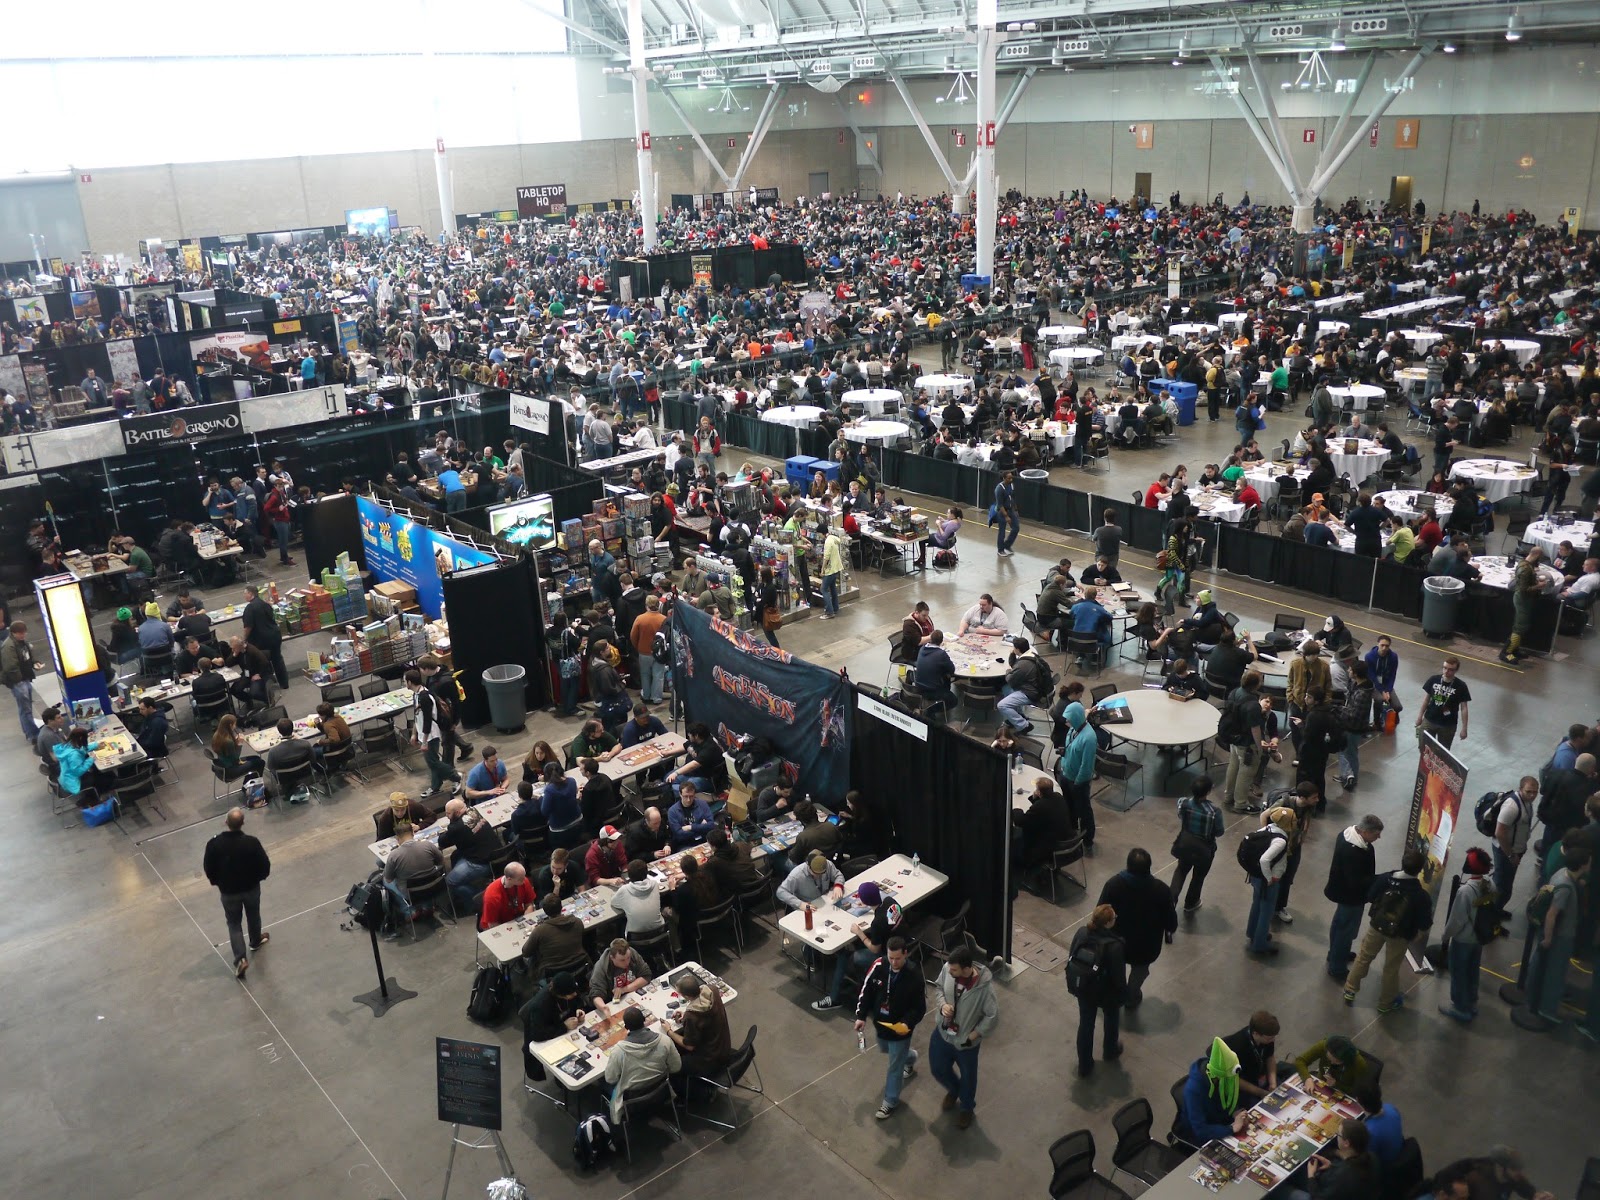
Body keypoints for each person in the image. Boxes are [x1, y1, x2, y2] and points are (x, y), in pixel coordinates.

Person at [1342, 848, 1434, 1013]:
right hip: (1400, 935)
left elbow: (1370, 896)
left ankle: (1350, 989)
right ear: (1420, 870)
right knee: (1391, 968)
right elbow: (1425, 922)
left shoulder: (1385, 879)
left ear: (1402, 863)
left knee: (1364, 957)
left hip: (1377, 926)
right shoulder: (1420, 895)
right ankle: (1386, 1003)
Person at [926, 945, 997, 1130]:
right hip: (943, 1033)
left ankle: (966, 1107)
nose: (950, 972)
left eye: (954, 970)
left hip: (966, 1043)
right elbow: (939, 988)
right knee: (937, 1068)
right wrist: (943, 1005)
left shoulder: (984, 989)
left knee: (968, 1077)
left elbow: (992, 1016)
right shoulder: (948, 969)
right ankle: (954, 1089)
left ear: (966, 969)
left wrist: (973, 1035)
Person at [855, 936, 926, 1119]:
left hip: (901, 1029)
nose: (894, 962)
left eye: (898, 958)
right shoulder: (879, 965)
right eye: (891, 958)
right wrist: (861, 1016)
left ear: (905, 954)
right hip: (881, 1024)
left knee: (894, 1066)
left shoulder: (914, 976)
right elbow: (866, 990)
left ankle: (890, 1102)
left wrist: (907, 1023)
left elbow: (919, 1008)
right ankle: (910, 1057)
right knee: (886, 1049)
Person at [1096, 849, 1176, 1008]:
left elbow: (1100, 913)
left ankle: (1114, 994)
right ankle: (1131, 997)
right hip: (1146, 948)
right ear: (1149, 867)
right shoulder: (1161, 890)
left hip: (1115, 943)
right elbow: (1171, 923)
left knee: (1114, 969)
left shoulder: (1114, 885)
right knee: (1140, 972)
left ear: (1128, 866)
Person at [813, 880, 903, 1013]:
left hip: (886, 956)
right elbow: (886, 918)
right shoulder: (890, 902)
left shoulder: (877, 923)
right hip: (901, 943)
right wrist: (870, 906)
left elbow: (875, 949)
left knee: (845, 956)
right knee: (853, 945)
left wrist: (859, 933)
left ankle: (834, 998)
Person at [202, 807, 272, 980]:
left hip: (229, 892)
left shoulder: (214, 844)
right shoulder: (252, 842)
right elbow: (265, 865)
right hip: (251, 889)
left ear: (226, 822)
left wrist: (217, 882)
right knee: (253, 915)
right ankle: (255, 941)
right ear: (243, 823)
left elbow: (209, 868)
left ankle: (240, 959)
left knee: (234, 923)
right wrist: (259, 878)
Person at [1526, 843, 1591, 1023]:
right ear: (1582, 865)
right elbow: (1552, 914)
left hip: (1558, 934)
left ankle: (1534, 999)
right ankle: (1547, 1009)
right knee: (1555, 973)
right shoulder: (1566, 887)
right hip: (1560, 937)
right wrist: (1548, 938)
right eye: (1589, 862)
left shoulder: (1562, 873)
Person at [1066, 903, 1126, 1077]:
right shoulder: (1114, 946)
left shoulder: (1081, 933)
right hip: (1105, 992)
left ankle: (1084, 1066)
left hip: (1084, 986)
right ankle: (1110, 1050)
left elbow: (1071, 954)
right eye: (1114, 917)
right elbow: (1118, 976)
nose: (1115, 919)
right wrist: (1123, 995)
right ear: (1107, 923)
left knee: (1086, 1024)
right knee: (1111, 1017)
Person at [1439, 846, 1496, 1022]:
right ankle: (1471, 1002)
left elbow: (1457, 920)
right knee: (1472, 970)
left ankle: (1460, 1008)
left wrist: (1445, 935)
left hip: (1463, 939)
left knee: (1459, 973)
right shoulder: (1490, 884)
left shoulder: (1465, 891)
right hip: (1479, 937)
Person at [1324, 814, 1384, 979]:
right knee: (1346, 931)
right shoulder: (1354, 852)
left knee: (1339, 924)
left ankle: (1335, 953)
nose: (1379, 837)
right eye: (1376, 834)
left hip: (1341, 891)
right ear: (1364, 832)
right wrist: (1381, 880)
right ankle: (1337, 967)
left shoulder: (1345, 835)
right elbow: (1357, 881)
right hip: (1351, 897)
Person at [664, 973, 733, 1092]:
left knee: (673, 1066)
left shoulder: (692, 1016)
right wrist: (686, 1014)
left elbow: (689, 1046)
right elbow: (704, 1016)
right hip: (723, 1046)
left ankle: (691, 1095)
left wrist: (669, 1031)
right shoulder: (713, 991)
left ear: (686, 996)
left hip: (709, 1059)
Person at [437, 798, 504, 913]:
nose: (447, 816)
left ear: (457, 812)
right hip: (495, 852)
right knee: (455, 855)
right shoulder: (473, 810)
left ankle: (478, 900)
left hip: (480, 862)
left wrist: (449, 828)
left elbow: (442, 842)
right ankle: (461, 894)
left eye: (448, 813)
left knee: (450, 882)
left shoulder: (456, 827)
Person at [1245, 807, 1295, 955]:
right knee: (1266, 912)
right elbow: (1264, 860)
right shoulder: (1280, 840)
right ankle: (1260, 945)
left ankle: (1252, 932)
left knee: (1256, 905)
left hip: (1255, 876)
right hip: (1268, 880)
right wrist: (1269, 878)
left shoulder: (1265, 830)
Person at [405, 668, 462, 800]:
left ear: (409, 682)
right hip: (423, 735)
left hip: (431, 735)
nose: (404, 683)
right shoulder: (416, 695)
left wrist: (424, 741)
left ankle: (455, 776)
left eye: (405, 681)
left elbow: (427, 721)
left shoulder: (425, 697)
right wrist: (414, 734)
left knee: (432, 762)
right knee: (433, 762)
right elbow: (417, 717)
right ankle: (435, 787)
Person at [1171, 777, 1225, 913]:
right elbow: (1219, 832)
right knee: (1198, 877)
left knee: (1180, 871)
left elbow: (1180, 815)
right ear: (1208, 792)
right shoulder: (1214, 812)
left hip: (1185, 844)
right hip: (1204, 850)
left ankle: (1170, 902)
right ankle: (1191, 903)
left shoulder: (1183, 802)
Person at [1292, 1118, 1379, 1200]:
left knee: (1290, 1184)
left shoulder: (1342, 1176)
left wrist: (1311, 1175)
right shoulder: (1371, 1157)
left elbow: (1319, 1198)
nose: (1337, 1136)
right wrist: (1332, 1166)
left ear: (1346, 1143)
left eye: (1338, 1134)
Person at [1491, 775, 1537, 926]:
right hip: (1506, 852)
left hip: (1515, 850)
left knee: (1505, 885)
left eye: (1535, 792)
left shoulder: (1527, 803)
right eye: (1529, 791)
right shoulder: (1512, 807)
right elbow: (1500, 833)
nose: (1532, 795)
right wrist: (1511, 855)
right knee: (1502, 888)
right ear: (1520, 789)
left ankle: (1496, 911)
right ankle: (1491, 919)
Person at [381, 823, 445, 928]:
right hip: (435, 887)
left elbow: (388, 879)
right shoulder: (428, 845)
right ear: (413, 833)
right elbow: (441, 862)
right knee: (426, 878)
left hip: (412, 894)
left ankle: (409, 911)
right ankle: (428, 906)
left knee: (385, 880)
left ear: (397, 838)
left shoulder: (394, 855)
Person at [1222, 670, 1268, 814]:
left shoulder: (1234, 692)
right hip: (1246, 743)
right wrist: (1259, 747)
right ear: (1256, 685)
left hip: (1233, 737)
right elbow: (1255, 729)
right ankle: (1241, 802)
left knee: (1233, 766)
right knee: (1246, 772)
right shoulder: (1253, 705)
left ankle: (1228, 795)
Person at [1011, 776, 1074, 876]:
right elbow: (1043, 810)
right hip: (1065, 839)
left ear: (1039, 792)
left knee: (1018, 835)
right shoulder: (1058, 797)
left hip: (1048, 846)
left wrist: (1016, 810)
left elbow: (1019, 821)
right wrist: (1035, 798)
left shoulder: (1040, 807)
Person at [1058, 700, 1099, 849]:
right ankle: (1072, 831)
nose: (1066, 722)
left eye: (1069, 719)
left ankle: (1087, 840)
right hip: (1066, 774)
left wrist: (1078, 783)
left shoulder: (1089, 738)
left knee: (1084, 811)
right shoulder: (1074, 728)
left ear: (1076, 718)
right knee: (1069, 807)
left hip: (1078, 782)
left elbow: (1086, 766)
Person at [996, 636, 1052, 732]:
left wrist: (1008, 671)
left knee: (1002, 705)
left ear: (1018, 649)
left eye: (1014, 648)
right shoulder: (1032, 655)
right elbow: (1015, 665)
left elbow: (1009, 679)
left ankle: (1024, 725)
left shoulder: (1023, 665)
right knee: (1006, 688)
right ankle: (1019, 714)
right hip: (1036, 688)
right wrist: (1012, 654)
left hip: (1031, 694)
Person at [1222, 1010, 1280, 1102]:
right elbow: (1234, 1079)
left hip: (1260, 1076)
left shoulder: (1267, 1038)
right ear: (1255, 1034)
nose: (1273, 1040)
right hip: (1243, 1084)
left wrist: (1273, 1083)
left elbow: (1270, 1057)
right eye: (1270, 1038)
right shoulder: (1238, 1047)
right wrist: (1260, 1092)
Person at [1292, 1034, 1377, 1095]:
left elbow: (1360, 1091)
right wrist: (1307, 1078)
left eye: (1336, 1062)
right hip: (1321, 1083)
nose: (1332, 1063)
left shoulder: (1358, 1063)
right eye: (1329, 1059)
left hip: (1343, 1093)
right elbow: (1300, 1061)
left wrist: (1336, 1084)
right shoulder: (1324, 1045)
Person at [240, 585, 288, 690]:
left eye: (245, 593)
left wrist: (244, 640)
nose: (244, 596)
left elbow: (248, 627)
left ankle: (266, 686)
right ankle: (284, 683)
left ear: (250, 594)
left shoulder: (250, 608)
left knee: (262, 661)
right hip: (274, 636)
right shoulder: (265, 604)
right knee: (277, 659)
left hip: (261, 640)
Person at [1, 621, 42, 743]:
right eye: (20, 633)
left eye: (24, 633)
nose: (23, 635)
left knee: (26, 708)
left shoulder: (20, 643)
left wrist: (34, 663)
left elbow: (27, 657)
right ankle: (33, 734)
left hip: (24, 679)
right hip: (18, 682)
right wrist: (19, 679)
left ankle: (30, 732)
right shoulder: (8, 647)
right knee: (26, 709)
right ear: (14, 633)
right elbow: (10, 667)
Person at [588, 938, 653, 1014]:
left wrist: (623, 989)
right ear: (612, 958)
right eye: (622, 960)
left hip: (634, 996)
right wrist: (603, 1008)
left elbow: (646, 976)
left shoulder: (631, 952)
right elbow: (595, 994)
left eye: (628, 958)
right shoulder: (601, 967)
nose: (627, 962)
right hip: (614, 1004)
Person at [1415, 656, 1470, 747]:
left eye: (1450, 670)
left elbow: (1464, 708)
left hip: (1448, 725)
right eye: (1445, 668)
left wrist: (1464, 728)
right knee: (1423, 746)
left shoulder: (1461, 686)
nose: (1446, 671)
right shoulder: (1434, 680)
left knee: (1442, 751)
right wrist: (1420, 716)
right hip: (1430, 720)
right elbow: (1426, 699)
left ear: (1456, 670)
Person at [609, 859, 668, 936]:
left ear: (629, 876)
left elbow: (614, 903)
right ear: (646, 873)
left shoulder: (624, 890)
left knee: (620, 922)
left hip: (636, 936)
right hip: (660, 930)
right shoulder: (654, 884)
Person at [264, 720, 315, 802]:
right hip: (304, 772)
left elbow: (271, 767)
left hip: (284, 777)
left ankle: (289, 787)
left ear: (279, 731)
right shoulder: (305, 744)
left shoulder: (273, 751)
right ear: (292, 729)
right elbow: (313, 759)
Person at [477, 861, 536, 931]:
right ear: (509, 879)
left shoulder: (523, 880)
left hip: (516, 917)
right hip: (496, 924)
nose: (524, 880)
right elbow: (492, 924)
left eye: (524, 876)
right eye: (520, 879)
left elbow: (529, 904)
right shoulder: (492, 896)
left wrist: (527, 921)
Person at [777, 850, 844, 911]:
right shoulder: (796, 875)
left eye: (822, 873)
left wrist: (838, 886)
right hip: (807, 906)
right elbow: (781, 892)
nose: (819, 876)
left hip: (824, 901)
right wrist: (800, 904)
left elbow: (838, 876)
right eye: (815, 873)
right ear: (808, 866)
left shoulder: (828, 864)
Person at [913, 630, 958, 711]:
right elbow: (952, 669)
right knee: (954, 701)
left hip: (918, 687)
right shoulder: (941, 654)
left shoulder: (922, 649)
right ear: (941, 641)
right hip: (933, 690)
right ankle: (930, 710)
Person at [1362, 635, 1400, 729]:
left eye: (1387, 646)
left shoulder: (1393, 657)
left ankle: (1394, 714)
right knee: (1379, 700)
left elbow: (1392, 675)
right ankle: (1376, 721)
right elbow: (1372, 676)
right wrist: (1382, 691)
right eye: (1382, 645)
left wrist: (1388, 690)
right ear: (1377, 644)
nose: (1384, 648)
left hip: (1386, 684)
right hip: (1374, 684)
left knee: (1398, 706)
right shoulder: (1369, 657)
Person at [666, 779, 715, 848]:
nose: (688, 800)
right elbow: (679, 834)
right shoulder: (672, 811)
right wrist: (701, 827)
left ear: (694, 794)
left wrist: (690, 827)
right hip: (686, 844)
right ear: (680, 794)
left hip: (705, 840)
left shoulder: (702, 804)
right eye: (686, 796)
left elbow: (711, 825)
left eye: (691, 796)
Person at [992, 470, 1020, 556]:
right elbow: (1000, 505)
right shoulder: (999, 489)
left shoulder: (1011, 485)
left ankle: (1007, 545)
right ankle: (1000, 550)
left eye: (1011, 478)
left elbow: (1012, 497)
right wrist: (1006, 516)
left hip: (1010, 510)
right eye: (1009, 478)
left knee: (1016, 528)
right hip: (1001, 512)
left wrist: (1015, 510)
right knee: (1002, 531)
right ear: (1004, 478)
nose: (1011, 480)